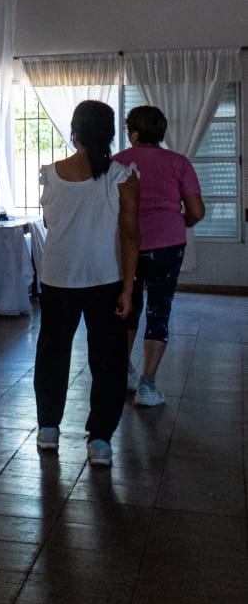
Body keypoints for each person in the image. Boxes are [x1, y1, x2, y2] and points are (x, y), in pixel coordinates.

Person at [34, 100, 139, 468]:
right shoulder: (122, 176)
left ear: (74, 133)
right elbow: (130, 235)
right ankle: (100, 440)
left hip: (57, 277)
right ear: (110, 135)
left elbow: (49, 222)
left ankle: (48, 428)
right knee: (108, 359)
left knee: (52, 353)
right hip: (105, 278)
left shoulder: (51, 173)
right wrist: (128, 288)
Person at [113, 105, 204, 407]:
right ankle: (147, 385)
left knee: (127, 307)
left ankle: (123, 371)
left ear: (133, 134)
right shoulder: (178, 162)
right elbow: (197, 211)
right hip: (168, 244)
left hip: (126, 245)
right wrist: (181, 221)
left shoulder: (118, 162)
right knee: (159, 311)